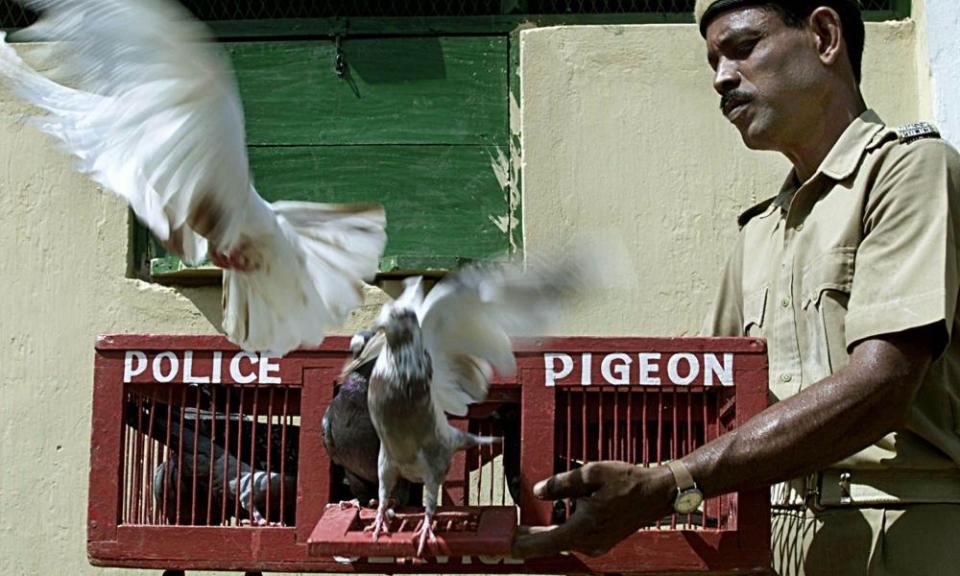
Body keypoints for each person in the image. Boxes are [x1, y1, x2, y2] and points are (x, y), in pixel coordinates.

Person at [512, 2, 960, 574]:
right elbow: (707, 406)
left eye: (743, 48)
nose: (721, 78)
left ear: (824, 36)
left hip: (900, 533)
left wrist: (672, 482)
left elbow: (882, 384)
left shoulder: (910, 173)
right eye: (713, 61)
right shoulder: (760, 234)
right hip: (770, 540)